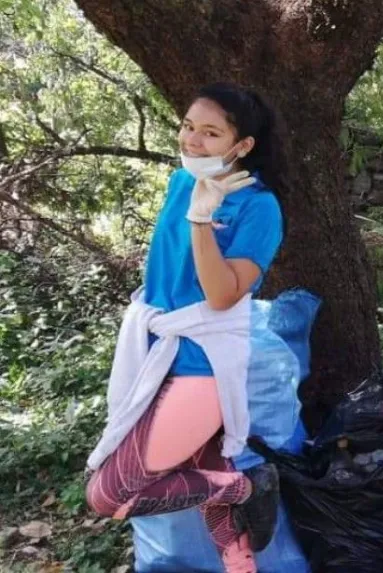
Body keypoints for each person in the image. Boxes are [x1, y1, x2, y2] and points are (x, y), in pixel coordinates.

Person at [85, 83, 288, 573]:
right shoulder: (180, 182)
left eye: (211, 134)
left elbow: (220, 295)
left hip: (201, 361)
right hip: (154, 347)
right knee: (208, 489)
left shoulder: (260, 208)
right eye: (188, 127)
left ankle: (247, 485)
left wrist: (203, 218)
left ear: (242, 148)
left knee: (108, 495)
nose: (192, 142)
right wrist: (194, 199)